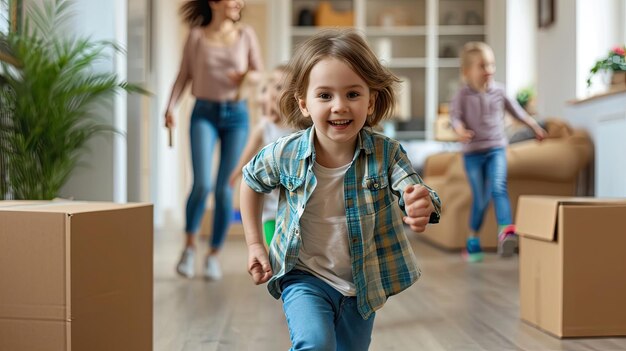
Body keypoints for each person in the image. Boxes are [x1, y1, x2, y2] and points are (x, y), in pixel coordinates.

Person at [239, 29, 442, 350]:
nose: (339, 106)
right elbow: (250, 181)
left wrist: (420, 204)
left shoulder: (386, 153)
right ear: (303, 103)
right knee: (315, 343)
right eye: (324, 96)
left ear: (371, 100)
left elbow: (412, 190)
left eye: (352, 94)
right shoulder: (285, 152)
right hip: (303, 275)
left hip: (362, 284)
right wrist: (254, 244)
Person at [165, 0, 263, 280]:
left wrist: (247, 76)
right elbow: (184, 75)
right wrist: (170, 107)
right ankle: (189, 247)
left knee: (223, 189)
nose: (239, 3)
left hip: (237, 116)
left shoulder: (246, 35)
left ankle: (214, 255)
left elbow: (259, 73)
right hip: (203, 114)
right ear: (215, 2)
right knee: (202, 184)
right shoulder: (196, 35)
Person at [449, 41, 546, 263]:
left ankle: (506, 230)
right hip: (472, 154)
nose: (489, 70)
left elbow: (519, 112)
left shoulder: (500, 91)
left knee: (498, 186)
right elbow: (455, 117)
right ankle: (472, 240)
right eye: (482, 66)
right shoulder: (462, 96)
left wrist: (534, 127)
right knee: (481, 199)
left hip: (496, 148)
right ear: (467, 72)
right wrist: (460, 129)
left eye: (491, 65)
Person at [229, 64, 295, 246]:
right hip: (270, 207)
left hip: (294, 205)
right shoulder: (264, 127)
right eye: (273, 85)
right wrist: (235, 175)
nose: (274, 91)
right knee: (275, 250)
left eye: (281, 87)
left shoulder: (299, 127)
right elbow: (247, 155)